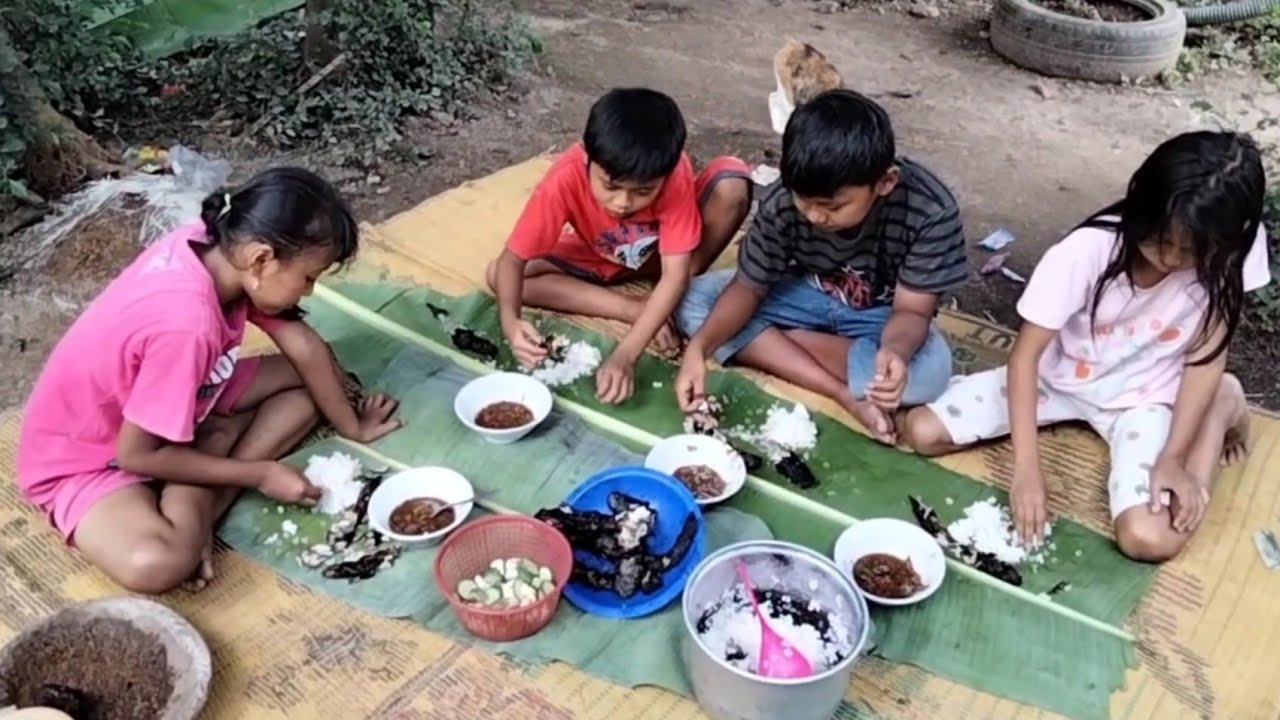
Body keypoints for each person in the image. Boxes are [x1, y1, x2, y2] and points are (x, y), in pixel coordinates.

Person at [16, 167, 405, 594]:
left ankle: (201, 487)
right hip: (91, 458)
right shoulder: (188, 327)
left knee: (318, 385)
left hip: (183, 398)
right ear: (262, 259)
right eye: (308, 278)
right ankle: (202, 482)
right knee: (159, 564)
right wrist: (259, 474)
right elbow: (135, 456)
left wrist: (352, 427)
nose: (309, 292)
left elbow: (304, 346)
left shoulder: (214, 246)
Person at [901, 131, 1268, 563]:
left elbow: (1206, 355)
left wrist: (1172, 460)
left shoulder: (1233, 247)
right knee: (922, 432)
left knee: (1148, 538)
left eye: (1189, 252)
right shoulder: (1086, 250)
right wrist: (1026, 470)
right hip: (1057, 379)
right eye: (1160, 240)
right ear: (1141, 205)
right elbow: (1025, 358)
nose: (1170, 258)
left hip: (1146, 398)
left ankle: (1220, 406)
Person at [674, 89, 967, 443]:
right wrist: (697, 351)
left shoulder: (930, 210)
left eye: (832, 206)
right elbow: (749, 287)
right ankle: (840, 391)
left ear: (885, 183)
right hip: (804, 294)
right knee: (690, 300)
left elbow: (911, 312)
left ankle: (773, 343)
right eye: (804, 201)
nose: (814, 216)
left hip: (879, 314)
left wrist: (895, 352)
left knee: (930, 374)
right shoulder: (784, 201)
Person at [487, 87, 752, 404]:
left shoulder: (674, 175)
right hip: (601, 255)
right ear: (588, 159)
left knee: (732, 182)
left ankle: (659, 302)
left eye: (643, 192)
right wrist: (510, 321)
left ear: (666, 175)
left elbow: (675, 275)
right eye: (610, 186)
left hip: (666, 259)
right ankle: (637, 307)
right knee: (499, 275)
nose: (623, 202)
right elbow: (513, 260)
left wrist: (625, 355)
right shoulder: (565, 178)